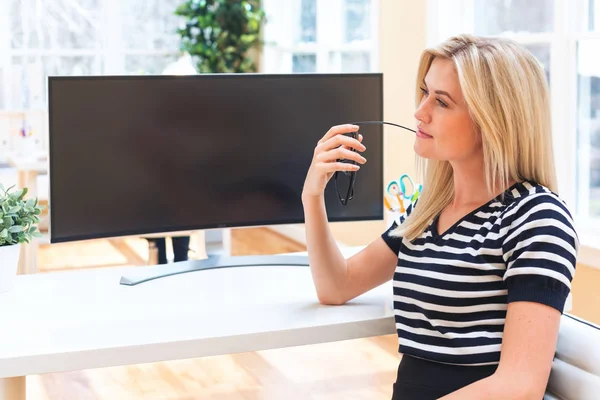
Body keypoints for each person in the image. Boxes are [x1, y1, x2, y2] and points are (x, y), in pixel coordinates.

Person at [301, 34, 578, 399]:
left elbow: (520, 386)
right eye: (425, 92)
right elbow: (337, 286)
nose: (420, 112)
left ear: (493, 121)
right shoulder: (429, 211)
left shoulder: (537, 218)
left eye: (442, 102)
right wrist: (312, 195)